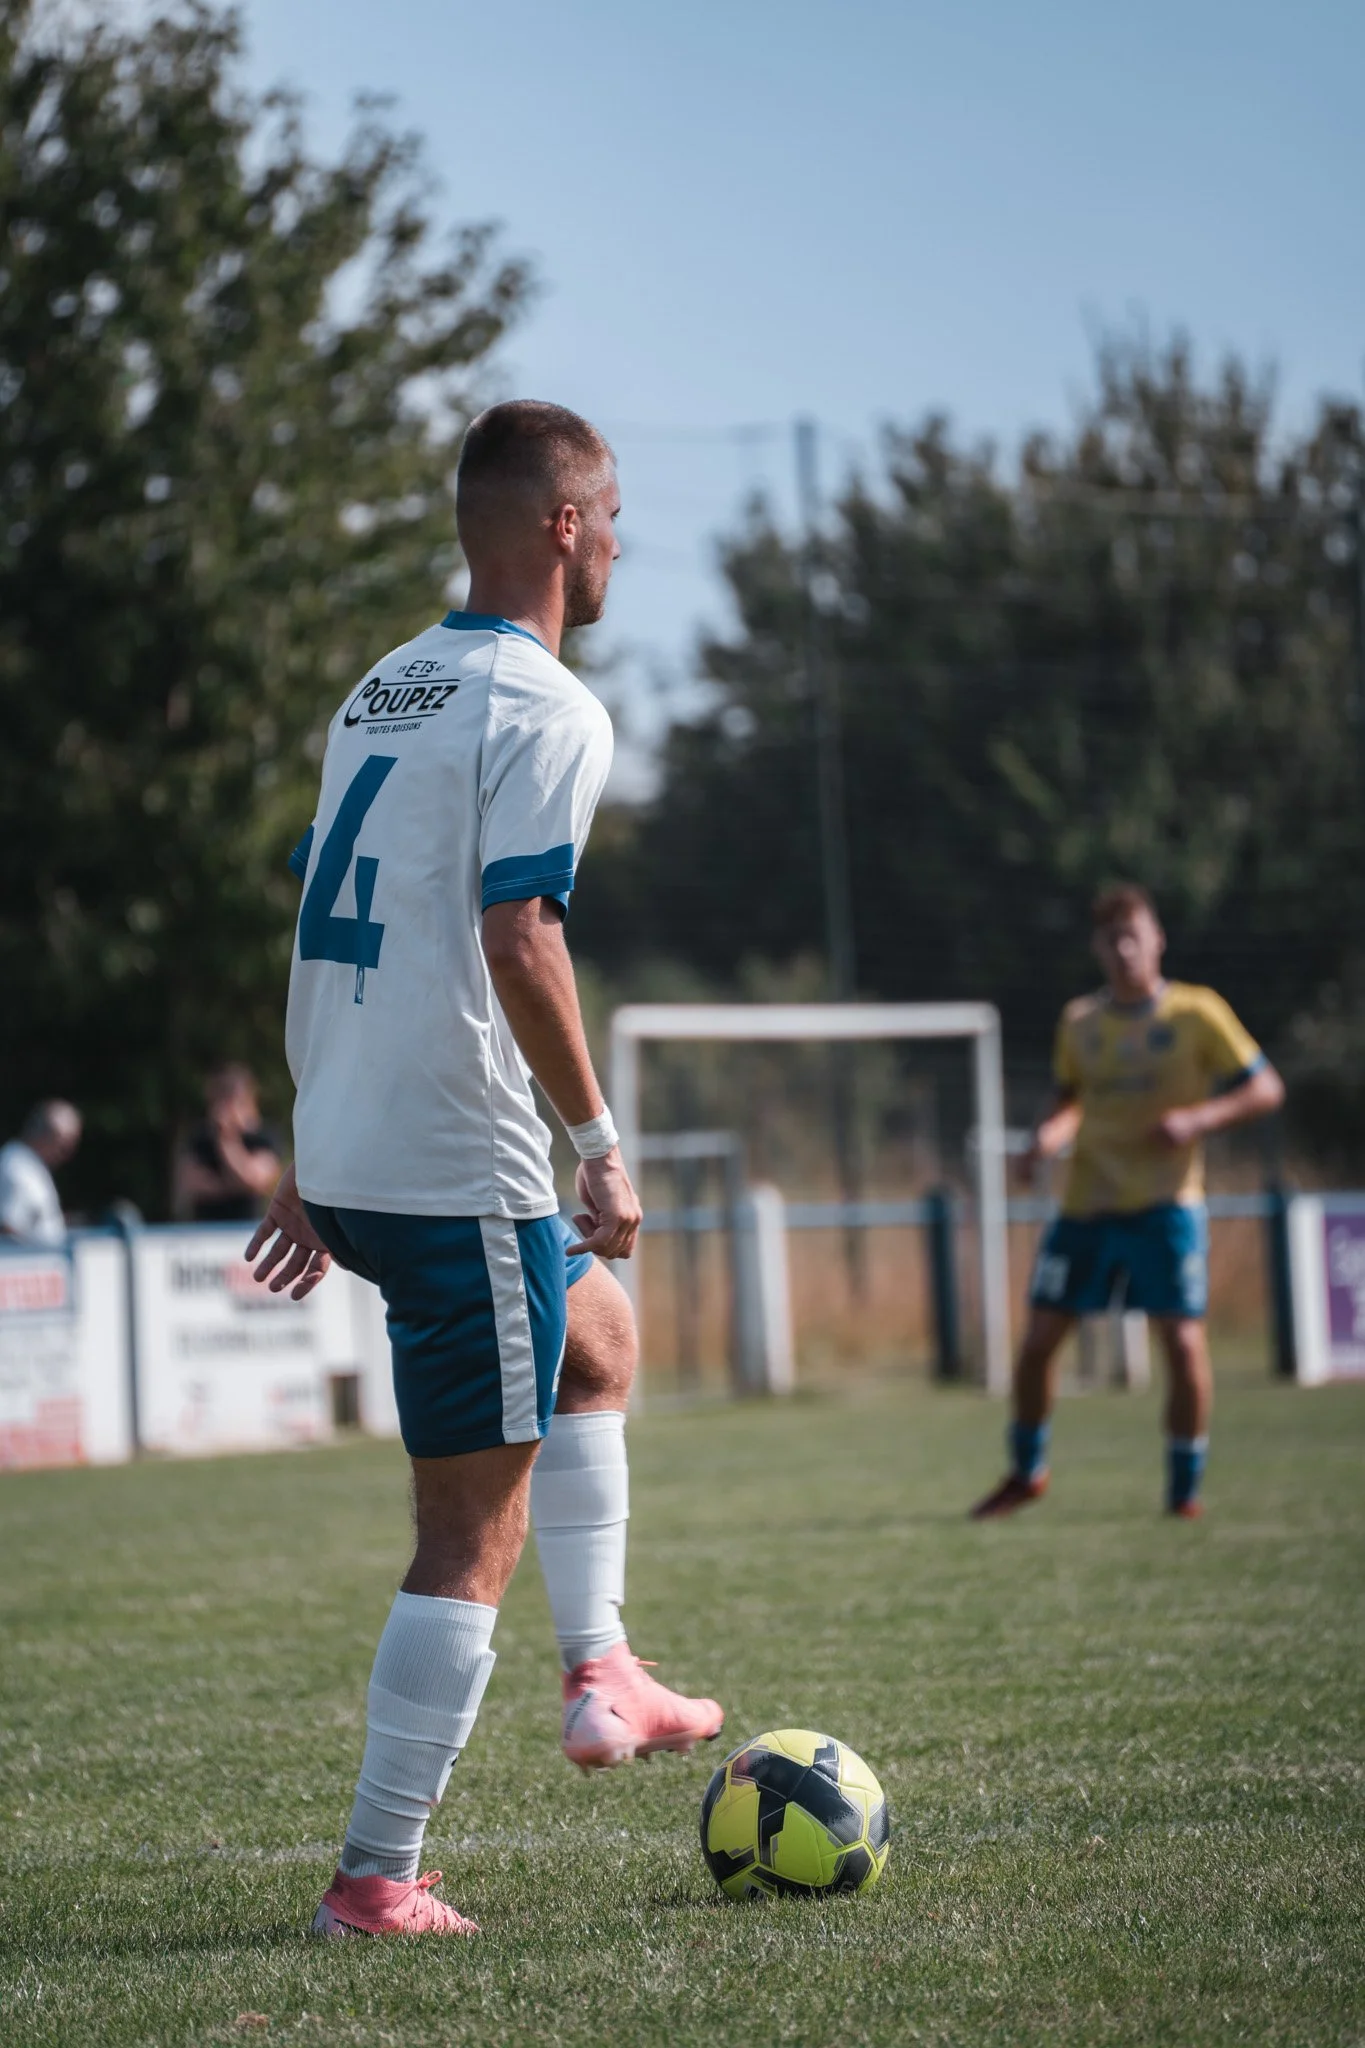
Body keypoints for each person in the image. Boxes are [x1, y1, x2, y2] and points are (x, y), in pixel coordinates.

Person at [245, 400, 722, 1941]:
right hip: (461, 1163)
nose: (624, 541)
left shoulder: (382, 687)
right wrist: (601, 1150)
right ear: (562, 528)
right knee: (468, 1532)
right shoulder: (550, 707)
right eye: (614, 515)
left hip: (369, 1145)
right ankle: (377, 1878)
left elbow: (326, 915)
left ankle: (607, 1676)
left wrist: (314, 1143)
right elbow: (524, 936)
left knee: (598, 1341)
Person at [970, 883, 1284, 1524]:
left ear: (1157, 940)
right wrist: (1045, 1139)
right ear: (1097, 948)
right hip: (1087, 1205)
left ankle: (1183, 1491)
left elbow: (1266, 1090)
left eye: (1131, 937)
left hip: (1166, 1206)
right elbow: (1069, 1098)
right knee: (1036, 1344)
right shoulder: (1080, 1022)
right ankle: (1027, 1471)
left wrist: (1197, 1119)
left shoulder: (1197, 1013)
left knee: (1183, 1344)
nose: (1121, 951)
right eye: (1109, 940)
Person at [175, 1064, 282, 1223]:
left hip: (248, 1230)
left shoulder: (263, 1138)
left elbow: (255, 1181)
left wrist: (227, 1141)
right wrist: (235, 1185)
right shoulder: (199, 1138)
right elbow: (190, 1185)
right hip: (205, 1232)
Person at [0, 1101, 82, 1247]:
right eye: (63, 1146)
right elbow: (8, 1229)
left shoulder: (30, 1164)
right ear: (44, 1135)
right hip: (29, 1266)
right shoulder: (17, 1168)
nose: (67, 1155)